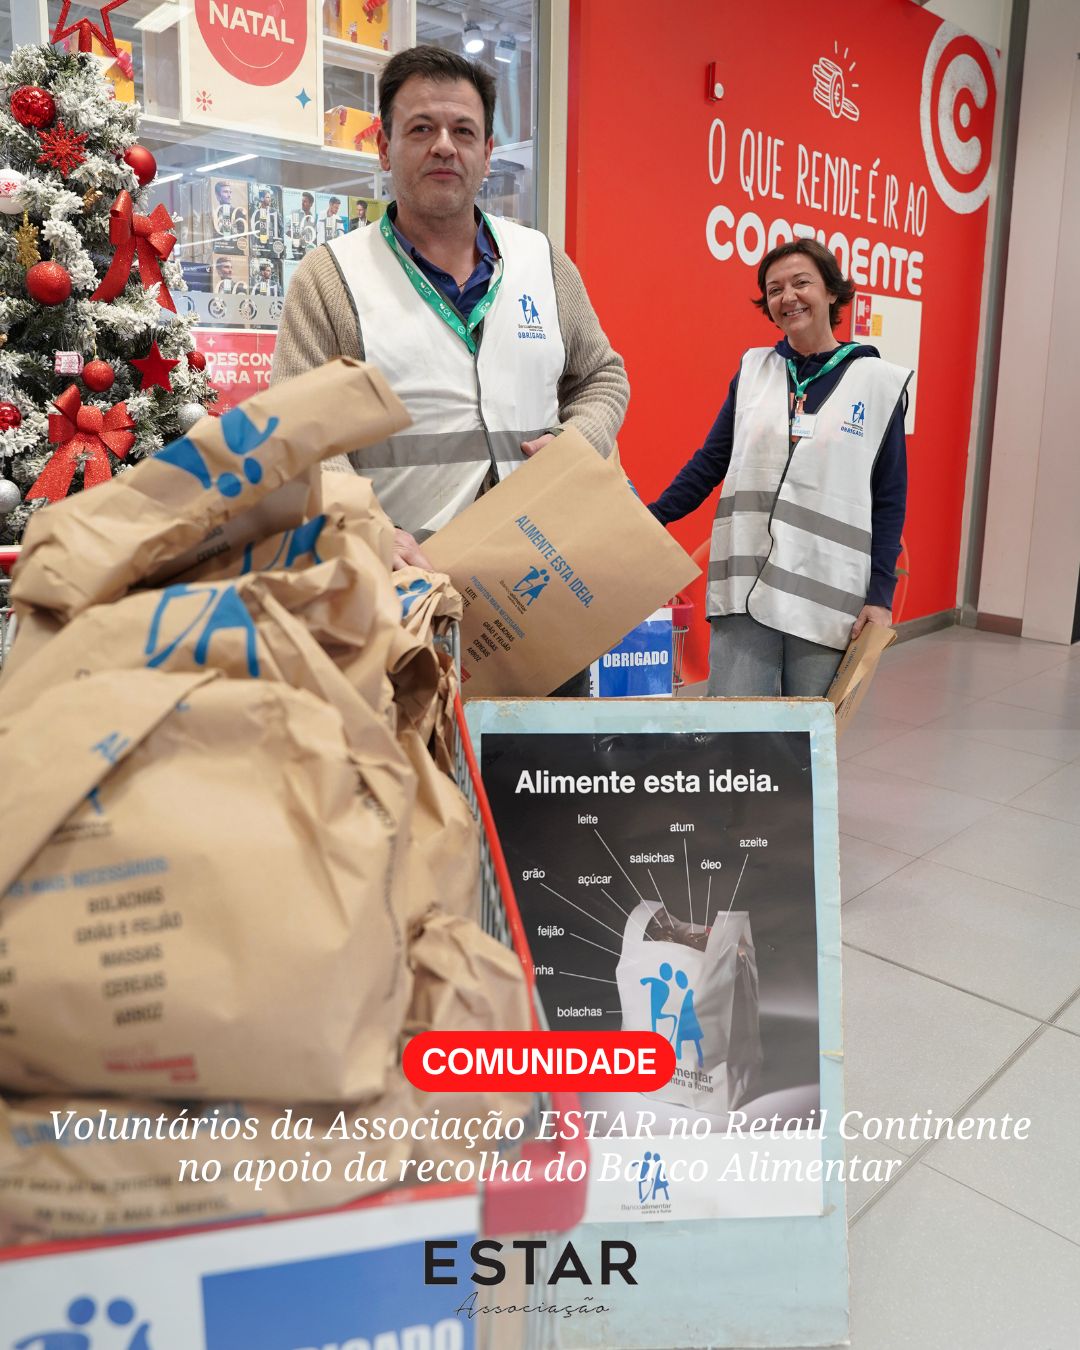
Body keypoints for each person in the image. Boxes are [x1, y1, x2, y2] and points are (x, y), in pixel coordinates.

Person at [272, 44, 629, 574]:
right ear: (384, 148)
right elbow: (300, 431)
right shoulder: (331, 278)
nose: (444, 146)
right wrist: (363, 528)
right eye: (421, 129)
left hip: (541, 575)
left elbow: (602, 377)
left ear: (487, 152)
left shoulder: (543, 262)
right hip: (403, 585)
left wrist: (576, 443)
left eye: (463, 131)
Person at [649, 239, 910, 696]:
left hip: (825, 598)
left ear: (832, 292)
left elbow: (888, 497)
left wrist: (881, 597)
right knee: (735, 725)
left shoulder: (877, 383)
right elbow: (711, 461)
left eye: (801, 283)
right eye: (774, 290)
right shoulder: (754, 371)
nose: (788, 296)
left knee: (807, 730)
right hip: (745, 590)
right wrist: (653, 518)